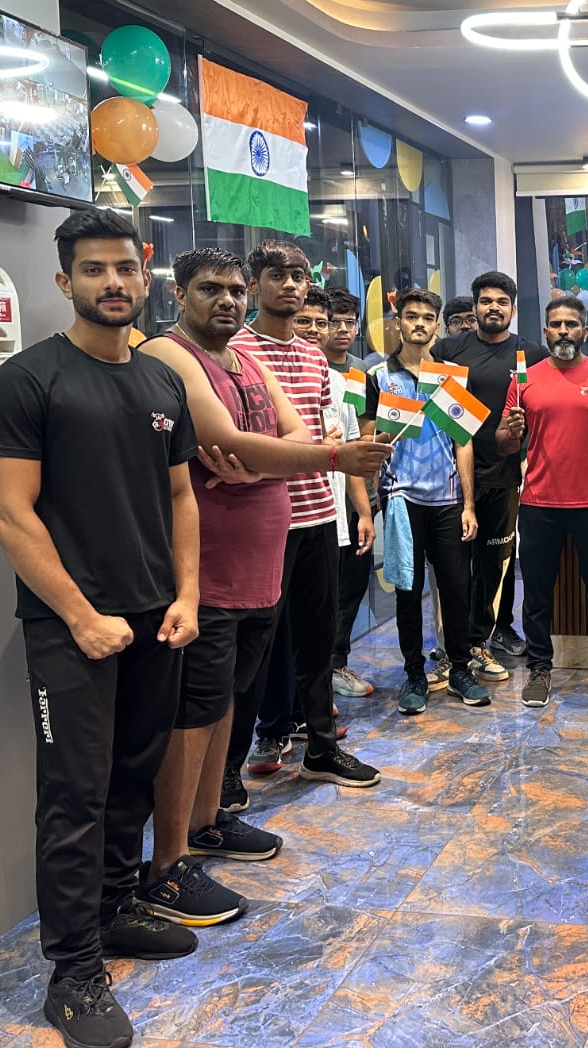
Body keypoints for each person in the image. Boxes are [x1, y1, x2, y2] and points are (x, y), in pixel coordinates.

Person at [0, 209, 201, 1048]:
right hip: (70, 628)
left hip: (155, 619)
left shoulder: (160, 381)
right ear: (64, 280)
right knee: (74, 797)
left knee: (134, 775)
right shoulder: (26, 382)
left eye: (126, 268)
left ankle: (115, 909)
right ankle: (73, 973)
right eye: (95, 269)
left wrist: (187, 595)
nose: (114, 283)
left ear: (145, 276)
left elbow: (180, 497)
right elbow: (12, 514)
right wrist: (80, 615)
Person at [137, 252, 391, 928]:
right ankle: (166, 863)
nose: (226, 300)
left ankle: (207, 822)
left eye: (231, 290)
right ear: (179, 294)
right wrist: (327, 457)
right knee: (192, 713)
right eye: (209, 289)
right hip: (207, 571)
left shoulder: (243, 360)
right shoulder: (170, 354)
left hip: (258, 565)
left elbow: (290, 432)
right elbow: (232, 440)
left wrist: (259, 465)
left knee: (224, 701)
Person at [228, 241, 381, 799]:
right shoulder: (236, 351)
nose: (290, 284)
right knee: (254, 652)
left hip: (319, 512)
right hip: (263, 519)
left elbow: (319, 434)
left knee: (318, 644)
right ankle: (228, 770)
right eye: (277, 275)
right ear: (255, 284)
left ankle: (320, 748)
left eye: (297, 275)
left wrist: (334, 453)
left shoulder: (315, 357)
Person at [498, 295, 588, 706]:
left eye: (572, 324)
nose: (564, 331)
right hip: (539, 503)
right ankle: (539, 668)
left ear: (585, 331)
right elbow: (506, 443)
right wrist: (511, 432)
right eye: (556, 324)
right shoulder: (523, 379)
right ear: (545, 331)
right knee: (537, 593)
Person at [374, 288, 492, 713]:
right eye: (411, 316)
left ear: (437, 326)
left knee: (457, 587)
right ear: (398, 323)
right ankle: (413, 675)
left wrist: (468, 504)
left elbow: (464, 441)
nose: (419, 324)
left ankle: (460, 669)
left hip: (447, 500)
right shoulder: (379, 376)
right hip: (401, 498)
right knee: (407, 590)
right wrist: (387, 430)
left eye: (427, 317)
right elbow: (368, 440)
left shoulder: (451, 377)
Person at [430, 271, 548, 676]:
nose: (493, 307)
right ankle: (450, 647)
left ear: (512, 309)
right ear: (475, 305)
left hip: (505, 475)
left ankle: (479, 641)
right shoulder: (448, 350)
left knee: (494, 564)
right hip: (452, 477)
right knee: (452, 567)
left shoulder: (531, 353)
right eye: (485, 300)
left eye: (501, 301)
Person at [310, 287, 379, 700]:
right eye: (327, 322)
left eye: (346, 323)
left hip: (351, 498)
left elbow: (360, 438)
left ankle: (335, 664)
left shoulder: (356, 376)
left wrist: (366, 508)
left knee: (349, 586)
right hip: (303, 505)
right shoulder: (283, 373)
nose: (336, 330)